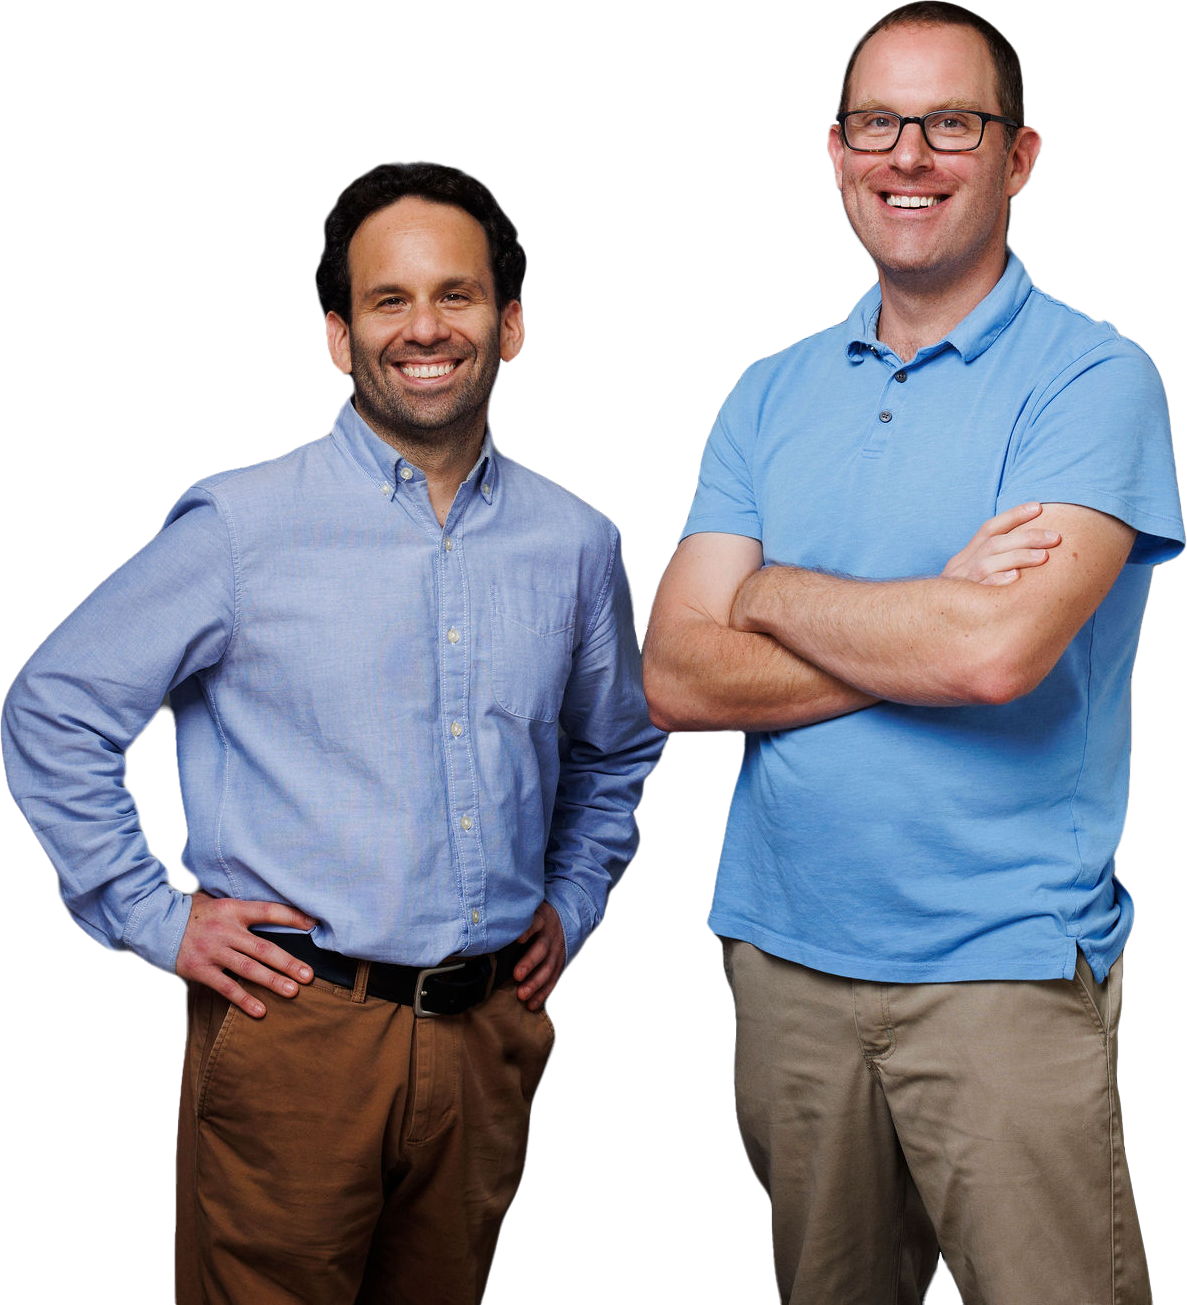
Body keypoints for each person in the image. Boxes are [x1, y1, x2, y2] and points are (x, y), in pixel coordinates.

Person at [2, 159, 664, 1305]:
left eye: (455, 296)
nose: (424, 329)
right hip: (292, 1033)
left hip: (483, 1041)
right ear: (338, 334)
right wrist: (152, 916)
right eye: (387, 300)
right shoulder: (242, 527)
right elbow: (53, 708)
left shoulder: (575, 546)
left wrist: (576, 893)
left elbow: (617, 746)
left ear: (506, 324)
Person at [643, 4, 1182, 1303]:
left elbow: (994, 656)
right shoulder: (769, 392)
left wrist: (763, 593)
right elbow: (671, 672)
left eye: (951, 123)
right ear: (833, 153)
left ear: (1017, 154)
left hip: (997, 967)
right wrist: (915, 618)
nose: (909, 156)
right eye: (877, 123)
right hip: (786, 964)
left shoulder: (1088, 380)